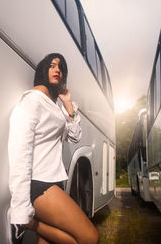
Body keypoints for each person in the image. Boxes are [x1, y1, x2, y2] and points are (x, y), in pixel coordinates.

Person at [8, 53, 99, 244]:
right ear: (42, 69)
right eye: (52, 65)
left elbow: (74, 136)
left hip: (53, 182)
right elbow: (19, 153)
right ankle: (30, 224)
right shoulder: (32, 100)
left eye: (61, 68)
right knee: (89, 237)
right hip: (39, 185)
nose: (58, 70)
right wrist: (20, 208)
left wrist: (67, 104)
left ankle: (32, 224)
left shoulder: (53, 106)